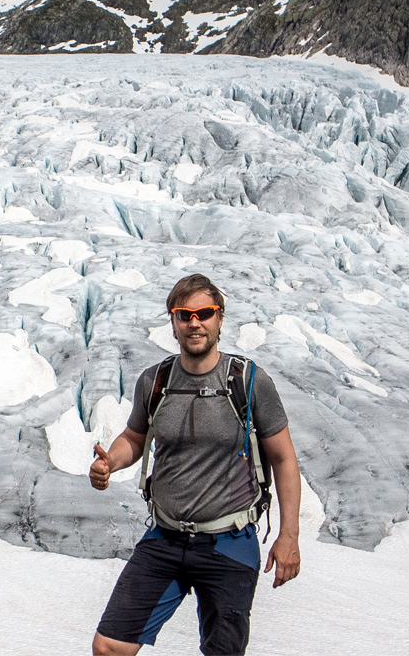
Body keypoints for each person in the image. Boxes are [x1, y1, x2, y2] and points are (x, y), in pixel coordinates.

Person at [88, 274, 302, 656]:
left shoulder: (250, 382)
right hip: (165, 538)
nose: (194, 322)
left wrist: (289, 536)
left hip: (229, 542)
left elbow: (284, 458)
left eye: (204, 313)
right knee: (109, 647)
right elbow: (135, 438)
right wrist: (110, 463)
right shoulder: (155, 381)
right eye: (184, 314)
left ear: (220, 319)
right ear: (173, 322)